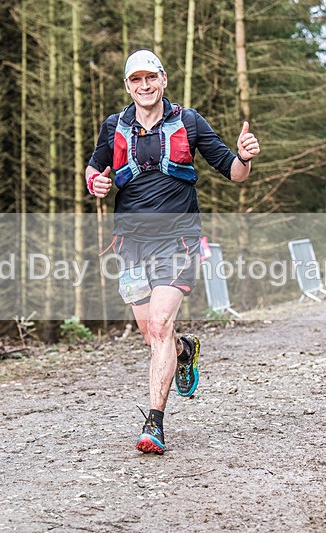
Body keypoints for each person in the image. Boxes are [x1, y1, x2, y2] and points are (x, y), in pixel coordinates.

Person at [86, 50, 259, 454]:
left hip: (178, 240)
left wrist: (246, 158)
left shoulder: (190, 121)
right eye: (136, 81)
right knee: (152, 335)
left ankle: (154, 424)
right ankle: (185, 351)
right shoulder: (114, 127)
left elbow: (233, 171)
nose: (144, 86)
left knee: (161, 325)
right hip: (129, 244)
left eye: (151, 78)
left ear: (164, 80)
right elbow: (94, 169)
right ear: (128, 86)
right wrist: (94, 182)